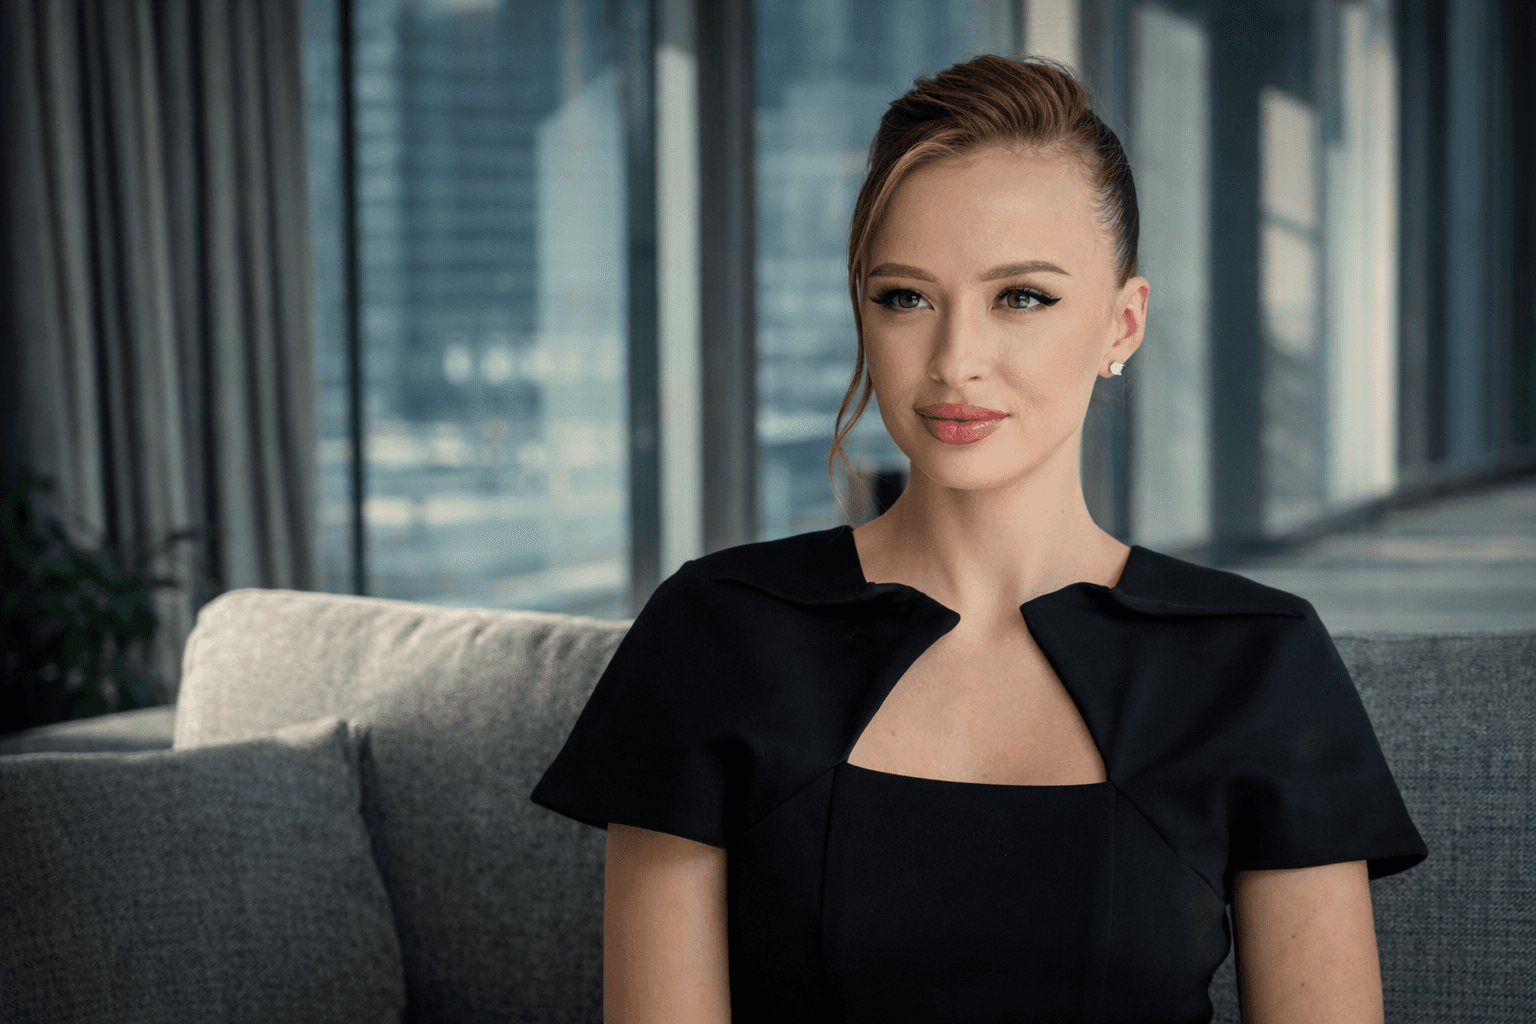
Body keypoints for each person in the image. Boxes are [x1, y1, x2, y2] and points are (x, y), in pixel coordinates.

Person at [530, 54, 1427, 1024]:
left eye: (1023, 297)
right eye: (905, 297)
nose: (956, 360)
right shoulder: (716, 631)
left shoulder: (1259, 658)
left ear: (1123, 323)